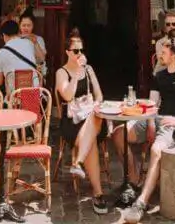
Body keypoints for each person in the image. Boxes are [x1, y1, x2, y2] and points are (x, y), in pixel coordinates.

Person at [123, 29, 175, 223]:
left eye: (164, 52)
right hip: (157, 119)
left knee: (157, 149)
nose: (159, 54)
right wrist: (150, 122)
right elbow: (152, 103)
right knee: (121, 133)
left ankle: (141, 201)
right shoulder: (159, 75)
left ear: (174, 56)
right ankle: (133, 181)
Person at [55, 30, 108, 216]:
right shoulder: (61, 73)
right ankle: (98, 194)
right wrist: (76, 74)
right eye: (75, 51)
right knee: (91, 142)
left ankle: (78, 163)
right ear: (67, 52)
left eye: (81, 50)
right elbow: (68, 95)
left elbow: (99, 95)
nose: (79, 54)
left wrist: (95, 103)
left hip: (91, 117)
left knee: (95, 117)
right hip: (72, 123)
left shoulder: (89, 69)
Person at [0, 19, 41, 95]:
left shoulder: (0, 53)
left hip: (14, 100)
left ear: (4, 35)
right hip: (35, 96)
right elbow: (40, 59)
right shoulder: (29, 43)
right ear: (19, 32)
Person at [19, 9, 47, 77]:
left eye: (29, 25)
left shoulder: (39, 39)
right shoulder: (15, 39)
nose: (26, 28)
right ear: (19, 25)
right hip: (19, 73)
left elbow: (42, 59)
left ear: (33, 26)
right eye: (24, 25)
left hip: (35, 74)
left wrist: (35, 43)